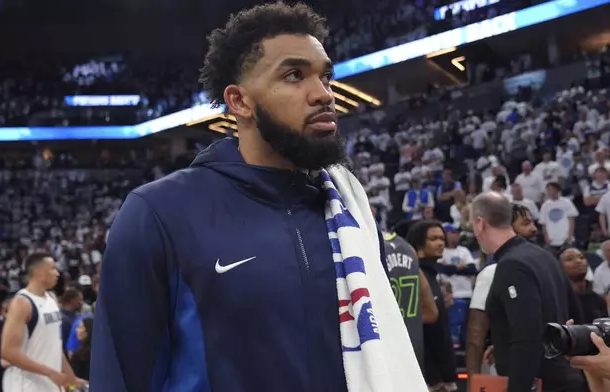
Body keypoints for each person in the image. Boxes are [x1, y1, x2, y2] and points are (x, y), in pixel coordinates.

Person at [90, 3, 426, 392]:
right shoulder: (159, 213)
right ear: (240, 101)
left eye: (325, 76)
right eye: (295, 75)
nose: (323, 94)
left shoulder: (351, 214)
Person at [469, 192, 586, 392]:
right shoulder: (545, 255)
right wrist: (502, 342)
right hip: (565, 377)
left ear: (480, 223)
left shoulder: (511, 265)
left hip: (541, 383)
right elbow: (575, 315)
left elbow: (526, 339)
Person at [465, 204, 537, 375]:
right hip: (509, 371)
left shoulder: (539, 265)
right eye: (526, 223)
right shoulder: (492, 273)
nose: (534, 229)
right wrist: (473, 383)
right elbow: (476, 337)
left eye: (533, 223)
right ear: (509, 229)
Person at [1, 252, 86, 392]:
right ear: (38, 272)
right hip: (25, 385)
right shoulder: (22, 302)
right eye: (53, 268)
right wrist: (50, 373)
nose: (57, 273)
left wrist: (71, 378)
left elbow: (54, 345)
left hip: (49, 383)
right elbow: (8, 352)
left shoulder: (51, 300)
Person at [406, 220, 458, 391]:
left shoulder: (432, 275)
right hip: (429, 377)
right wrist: (434, 378)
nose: (441, 243)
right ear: (419, 242)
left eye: (442, 238)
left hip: (442, 374)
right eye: (433, 239)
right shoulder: (413, 275)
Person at [383, 231, 438, 369]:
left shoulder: (363, 248)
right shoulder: (408, 249)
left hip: (381, 357)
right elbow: (431, 312)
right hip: (411, 358)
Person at [560, 247, 607, 323]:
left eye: (581, 257)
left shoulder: (598, 300)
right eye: (570, 259)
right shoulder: (559, 301)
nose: (578, 261)